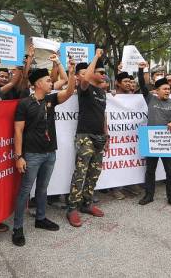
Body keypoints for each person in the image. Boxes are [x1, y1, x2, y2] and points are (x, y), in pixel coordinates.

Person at [11, 58, 76, 246]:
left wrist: (71, 73)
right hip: (31, 154)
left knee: (42, 188)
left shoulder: (50, 100)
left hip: (50, 153)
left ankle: (40, 219)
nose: (51, 83)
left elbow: (70, 91)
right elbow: (18, 131)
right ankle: (17, 228)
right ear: (38, 83)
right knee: (24, 191)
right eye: (48, 80)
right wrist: (19, 157)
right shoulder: (24, 104)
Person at [137, 62, 171, 209]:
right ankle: (149, 195)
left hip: (167, 143)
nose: (167, 91)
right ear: (157, 90)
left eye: (168, 89)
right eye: (164, 89)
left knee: (170, 172)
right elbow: (141, 84)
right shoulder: (150, 99)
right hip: (152, 141)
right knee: (150, 171)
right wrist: (141, 69)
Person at [66, 49, 108, 227]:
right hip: (85, 137)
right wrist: (97, 56)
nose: (104, 75)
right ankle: (72, 208)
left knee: (94, 173)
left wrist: (106, 136)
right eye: (101, 72)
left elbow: (103, 115)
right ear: (93, 73)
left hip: (99, 138)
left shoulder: (102, 92)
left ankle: (87, 203)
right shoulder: (85, 88)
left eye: (105, 73)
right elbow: (84, 79)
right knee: (81, 174)